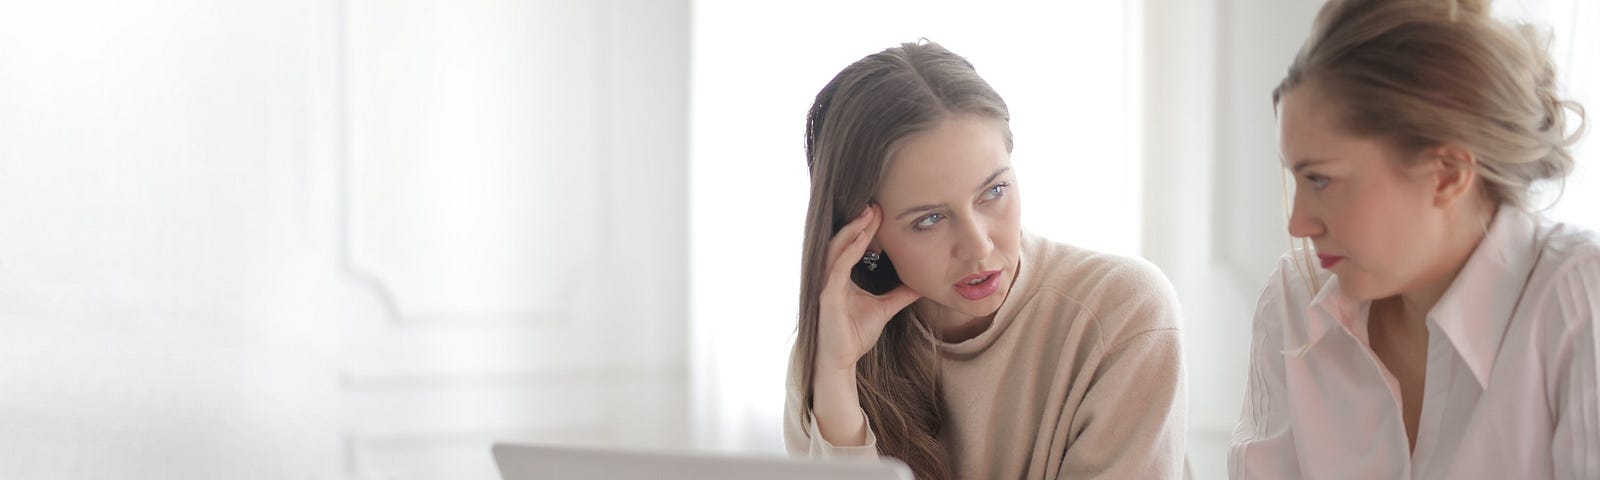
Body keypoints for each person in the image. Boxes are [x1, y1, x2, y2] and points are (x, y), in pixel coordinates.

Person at [782, 40, 1187, 480]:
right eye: (930, 219)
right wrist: (838, 384)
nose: (978, 246)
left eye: (994, 191)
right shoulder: (832, 349)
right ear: (868, 238)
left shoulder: (1125, 312)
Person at [1229, 0, 1598, 478]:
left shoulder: (1577, 301)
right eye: (1295, 180)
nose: (1298, 224)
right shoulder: (1295, 299)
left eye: (1320, 180)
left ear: (1447, 174)